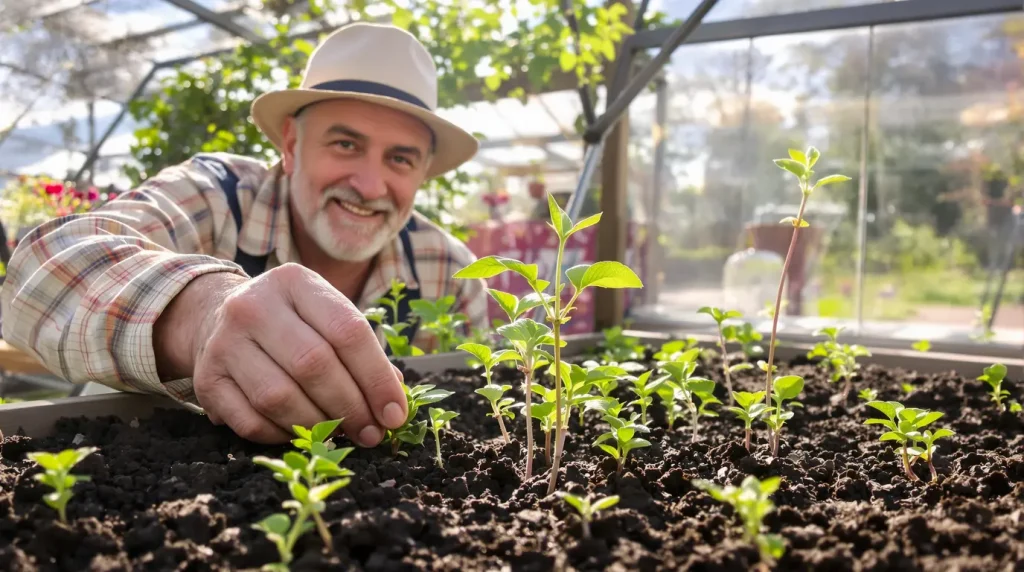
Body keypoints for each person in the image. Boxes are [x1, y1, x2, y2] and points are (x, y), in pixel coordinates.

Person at [0, 23, 488, 448]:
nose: (369, 185)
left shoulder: (450, 273)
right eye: (345, 144)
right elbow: (38, 272)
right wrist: (196, 313)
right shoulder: (219, 197)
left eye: (400, 159)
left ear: (423, 173)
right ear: (292, 146)